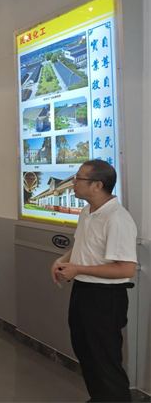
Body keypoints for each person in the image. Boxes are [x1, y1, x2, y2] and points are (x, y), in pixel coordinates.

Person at [51, 160, 137, 403]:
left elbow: (126, 269)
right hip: (83, 292)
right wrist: (62, 260)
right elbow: (82, 245)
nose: (73, 183)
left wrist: (78, 268)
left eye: (78, 178)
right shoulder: (88, 211)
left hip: (105, 299)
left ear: (97, 185)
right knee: (86, 352)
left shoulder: (117, 219)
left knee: (104, 359)